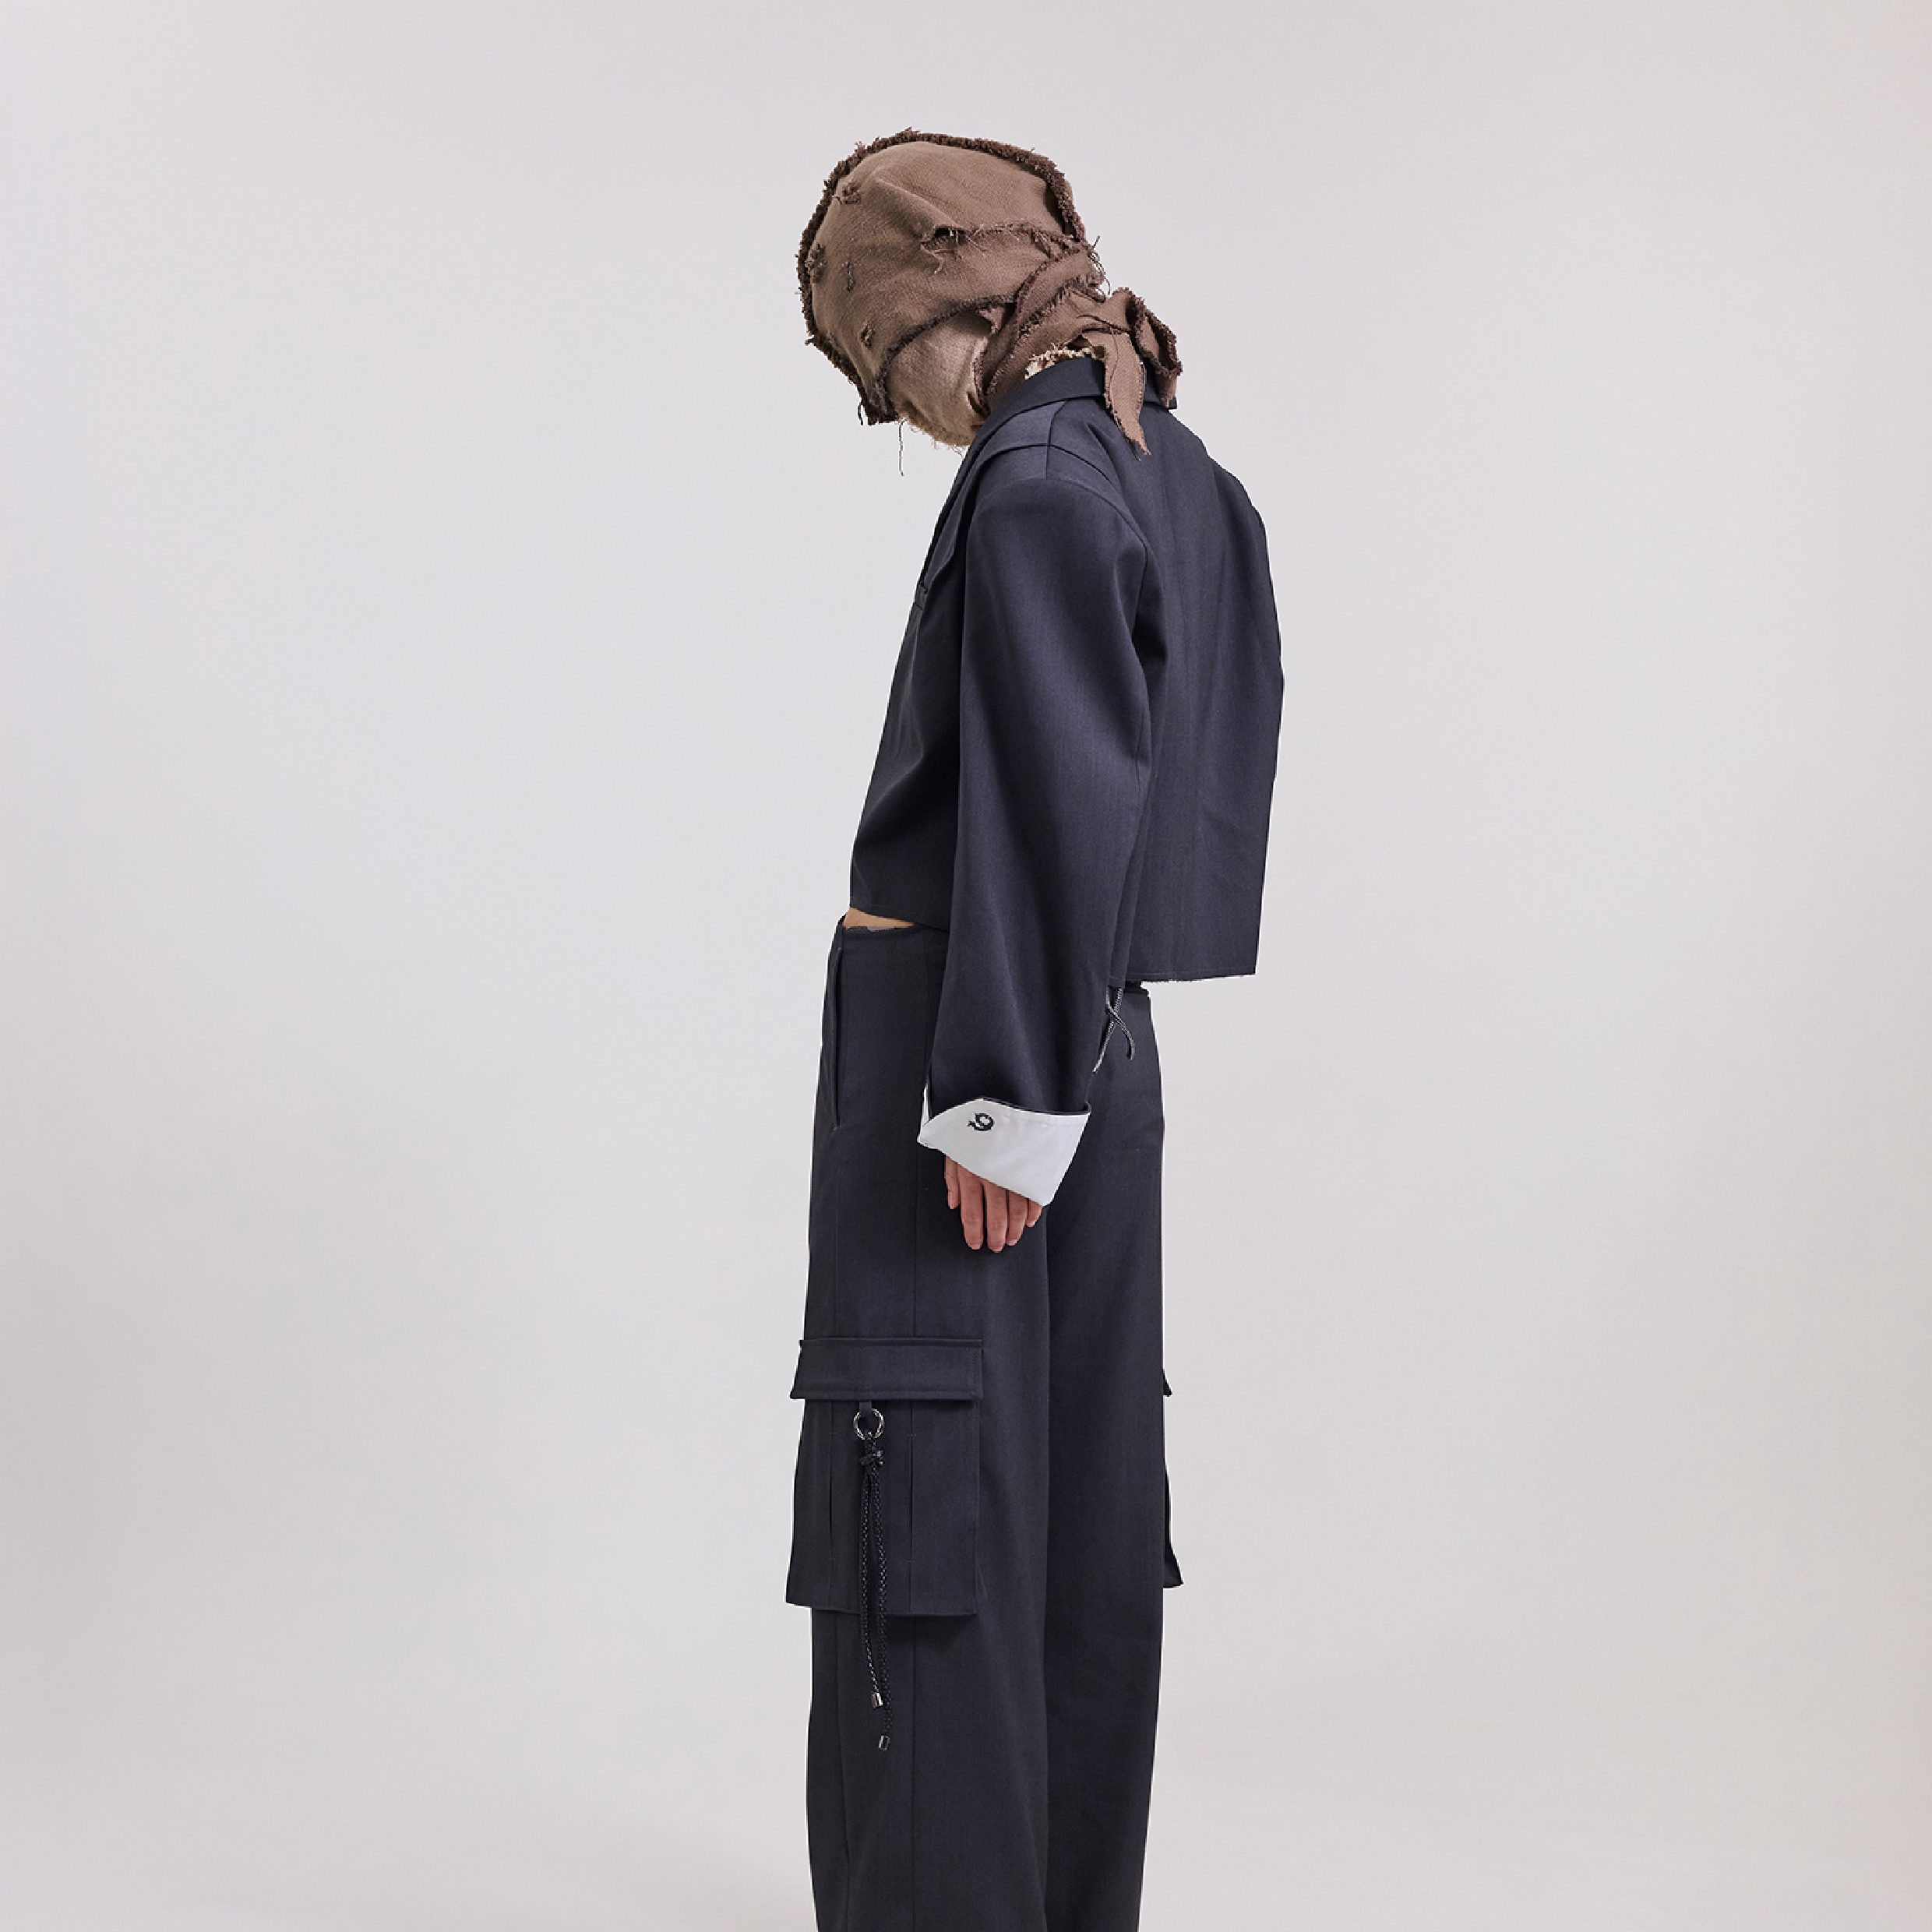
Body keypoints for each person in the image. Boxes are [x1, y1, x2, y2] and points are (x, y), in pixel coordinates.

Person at [785, 130, 1283, 1932]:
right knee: (1062, 1520)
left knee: (923, 1514)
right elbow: (1174, 797)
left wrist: (997, 1093)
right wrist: (1060, 1058)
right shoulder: (1165, 456)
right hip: (1084, 1038)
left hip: (973, 1058)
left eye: (880, 372)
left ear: (945, 311)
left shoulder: (1042, 473)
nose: (901, 415)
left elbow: (1066, 787)